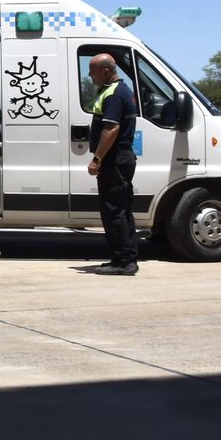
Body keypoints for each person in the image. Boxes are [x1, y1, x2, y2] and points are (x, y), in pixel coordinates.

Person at [87, 53, 140, 275]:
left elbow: (112, 128)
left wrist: (97, 158)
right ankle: (126, 258)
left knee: (114, 211)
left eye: (93, 72)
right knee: (122, 210)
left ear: (106, 71)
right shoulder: (121, 91)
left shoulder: (114, 94)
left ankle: (123, 262)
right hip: (121, 158)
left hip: (115, 160)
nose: (90, 76)